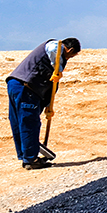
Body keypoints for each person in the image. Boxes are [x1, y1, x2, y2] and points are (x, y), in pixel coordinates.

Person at [6, 37, 81, 170]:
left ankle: (26, 155)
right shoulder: (56, 48)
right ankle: (30, 159)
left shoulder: (59, 58)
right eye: (71, 55)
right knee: (29, 122)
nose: (70, 58)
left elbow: (52, 85)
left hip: (17, 84)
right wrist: (56, 68)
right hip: (26, 86)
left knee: (19, 121)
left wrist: (47, 105)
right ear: (70, 50)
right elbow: (53, 49)